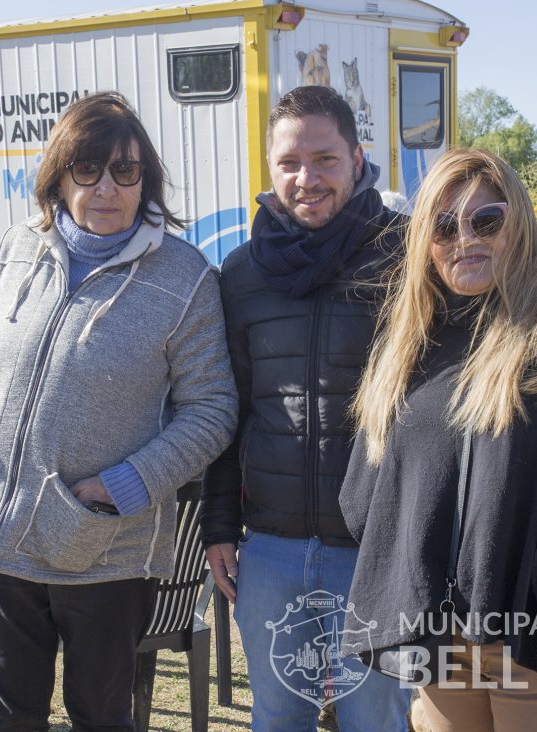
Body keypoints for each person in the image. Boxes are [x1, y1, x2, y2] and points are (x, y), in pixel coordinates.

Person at [0, 91, 238, 732]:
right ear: (59, 176)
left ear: (144, 180)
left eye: (125, 172)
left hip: (103, 546)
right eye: (87, 169)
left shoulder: (184, 279)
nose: (106, 188)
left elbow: (211, 410)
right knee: (7, 721)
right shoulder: (19, 249)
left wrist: (124, 487)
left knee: (101, 719)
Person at [341, 148, 537, 731]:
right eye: (443, 224)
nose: (464, 237)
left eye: (487, 219)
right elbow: (370, 496)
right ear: (424, 243)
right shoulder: (407, 349)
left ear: (520, 225)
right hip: (438, 639)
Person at [201, 85, 414, 732]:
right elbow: (226, 407)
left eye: (324, 159)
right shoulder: (240, 276)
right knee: (277, 721)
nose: (307, 178)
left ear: (357, 156)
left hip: (378, 550)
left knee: (374, 722)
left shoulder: (408, 258)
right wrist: (218, 527)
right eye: (290, 162)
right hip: (269, 551)